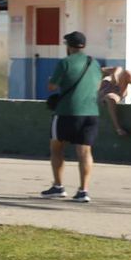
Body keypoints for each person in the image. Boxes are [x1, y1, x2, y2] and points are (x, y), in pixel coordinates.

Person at [41, 30, 100, 203]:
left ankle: (58, 186)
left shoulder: (65, 62)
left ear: (68, 46)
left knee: (56, 147)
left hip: (67, 112)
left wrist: (53, 80)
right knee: (85, 151)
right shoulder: (93, 63)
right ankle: (83, 191)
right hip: (91, 112)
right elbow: (96, 84)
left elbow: (52, 87)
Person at [97, 65, 131, 139]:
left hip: (117, 90)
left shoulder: (112, 71)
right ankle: (118, 128)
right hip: (106, 94)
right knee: (110, 98)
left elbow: (118, 68)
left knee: (127, 72)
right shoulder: (97, 75)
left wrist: (114, 74)